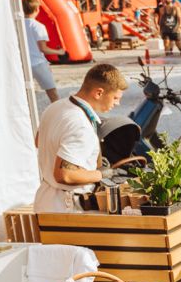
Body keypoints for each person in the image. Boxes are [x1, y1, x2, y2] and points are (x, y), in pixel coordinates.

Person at [33, 64, 127, 213]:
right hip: (68, 207)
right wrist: (102, 174)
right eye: (115, 98)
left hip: (46, 200)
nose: (117, 103)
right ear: (99, 93)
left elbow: (39, 141)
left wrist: (86, 160)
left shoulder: (56, 106)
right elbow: (65, 175)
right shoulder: (81, 124)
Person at [21, 0, 59, 102]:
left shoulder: (17, 25)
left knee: (25, 93)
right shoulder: (38, 26)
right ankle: (57, 115)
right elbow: (43, 49)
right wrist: (59, 52)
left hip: (23, 63)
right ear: (37, 9)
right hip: (38, 63)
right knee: (52, 93)